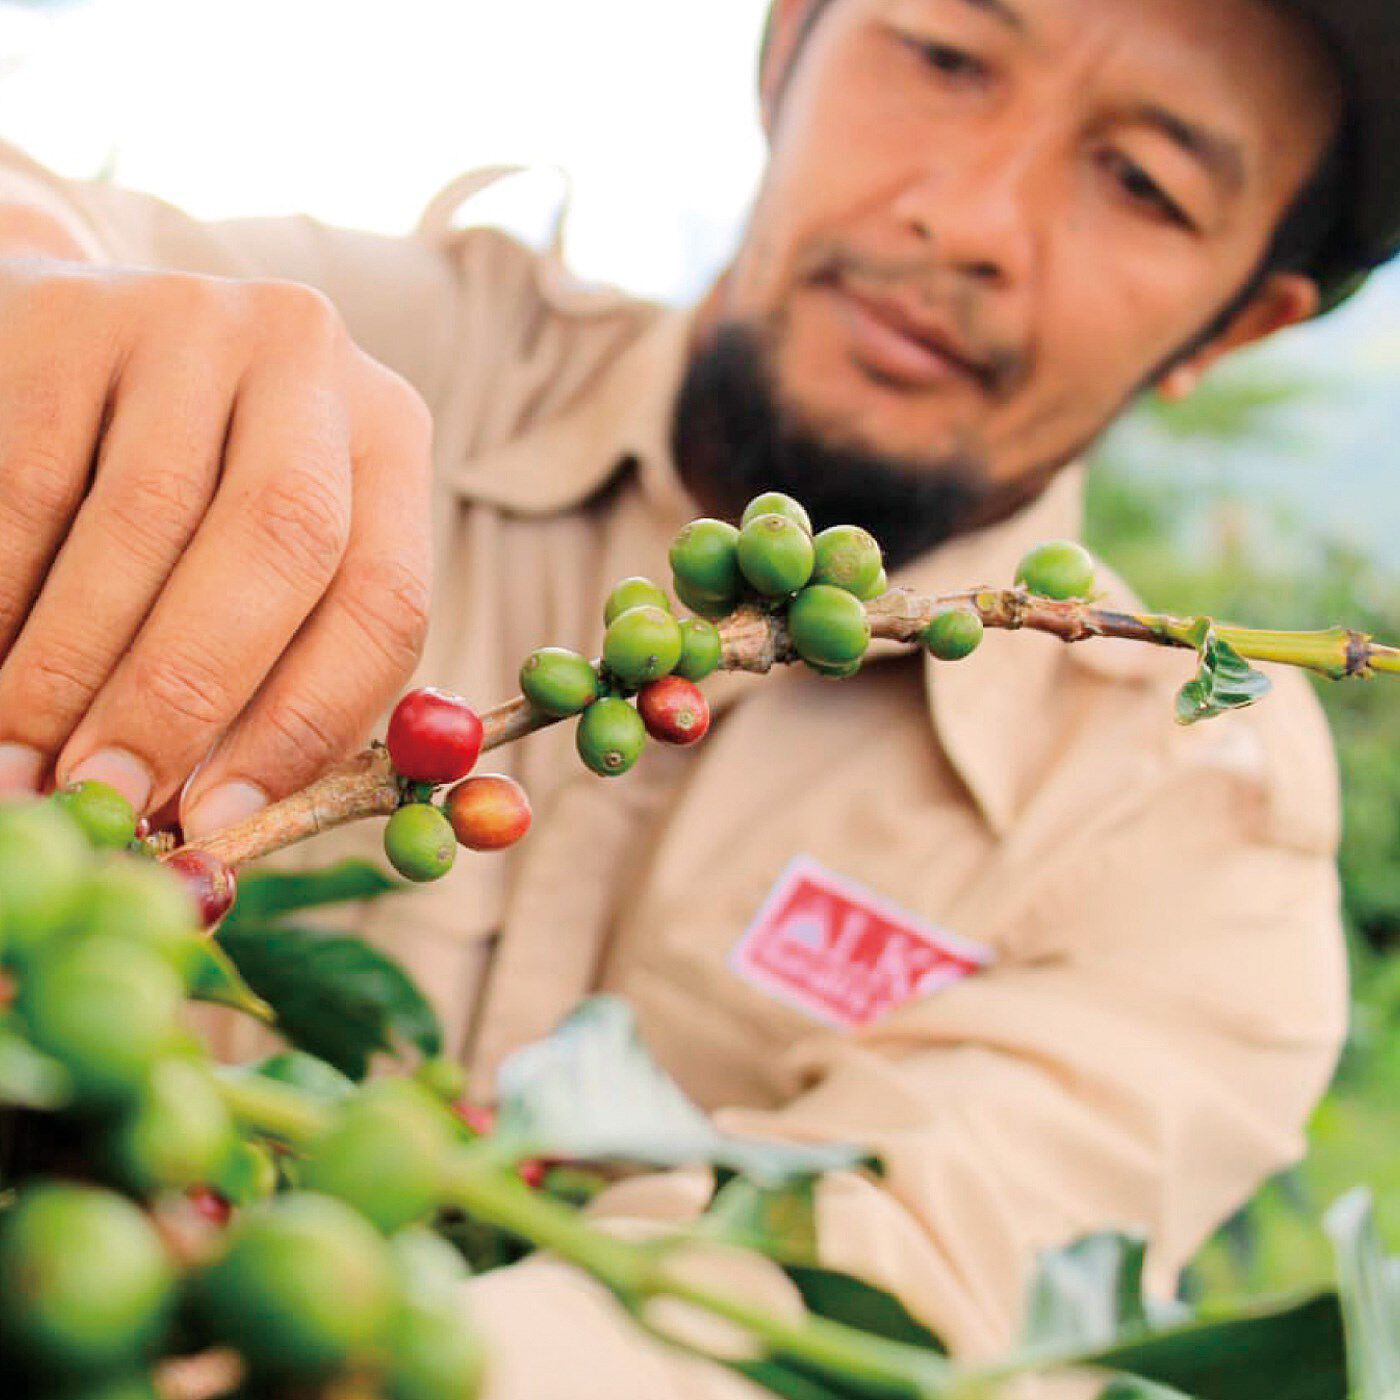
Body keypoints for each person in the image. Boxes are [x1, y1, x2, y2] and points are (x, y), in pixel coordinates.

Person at [0, 0, 1395, 1391]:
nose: (971, 214)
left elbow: (858, 1298)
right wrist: (38, 296)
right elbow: (58, 242)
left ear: (1243, 318)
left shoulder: (1194, 824)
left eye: (1142, 182)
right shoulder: (403, 345)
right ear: (789, 45)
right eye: (948, 58)